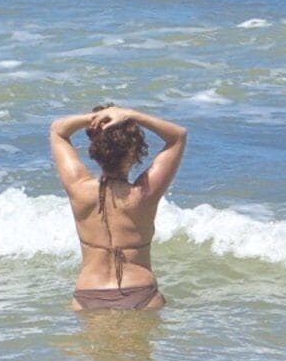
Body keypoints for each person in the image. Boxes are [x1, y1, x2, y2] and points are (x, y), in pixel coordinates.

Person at [48, 103, 186, 313]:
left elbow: (58, 130)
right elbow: (177, 136)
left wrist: (95, 118)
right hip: (140, 293)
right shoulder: (143, 194)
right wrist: (130, 115)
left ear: (96, 150)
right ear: (133, 152)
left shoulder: (79, 188)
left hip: (88, 294)